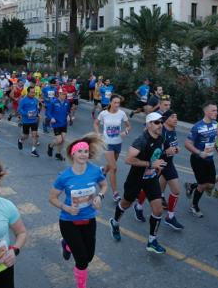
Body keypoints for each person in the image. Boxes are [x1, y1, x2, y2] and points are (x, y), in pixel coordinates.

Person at [49, 134, 107, 288]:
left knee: (88, 257)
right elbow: (52, 198)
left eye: (86, 151)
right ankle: (81, 285)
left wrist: (100, 197)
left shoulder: (95, 171)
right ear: (72, 154)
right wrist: (66, 207)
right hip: (69, 221)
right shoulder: (64, 176)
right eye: (79, 151)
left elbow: (104, 185)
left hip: (89, 218)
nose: (83, 154)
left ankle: (66, 244)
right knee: (81, 261)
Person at [108, 112, 167, 254]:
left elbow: (158, 155)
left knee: (158, 210)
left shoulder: (161, 138)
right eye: (157, 122)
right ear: (148, 125)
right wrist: (151, 164)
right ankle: (115, 222)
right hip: (136, 179)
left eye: (161, 122)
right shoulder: (141, 140)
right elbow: (128, 159)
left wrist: (158, 167)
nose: (160, 125)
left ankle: (152, 241)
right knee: (125, 204)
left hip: (151, 179)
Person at [184, 101, 218, 217]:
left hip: (209, 159)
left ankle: (191, 186)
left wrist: (217, 148)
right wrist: (199, 153)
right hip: (198, 160)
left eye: (216, 110)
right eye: (213, 110)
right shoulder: (197, 127)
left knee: (211, 185)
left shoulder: (215, 124)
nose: (216, 112)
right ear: (206, 111)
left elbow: (212, 139)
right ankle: (194, 206)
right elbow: (187, 144)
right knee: (203, 185)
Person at [93, 94, 130, 202]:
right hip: (107, 143)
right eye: (115, 102)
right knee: (114, 168)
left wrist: (125, 132)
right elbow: (96, 123)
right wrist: (98, 134)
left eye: (118, 103)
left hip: (118, 143)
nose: (117, 105)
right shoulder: (103, 114)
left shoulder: (122, 113)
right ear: (110, 102)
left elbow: (129, 126)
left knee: (110, 165)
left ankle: (103, 172)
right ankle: (115, 193)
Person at [46, 90, 71, 161]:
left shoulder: (67, 102)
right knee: (59, 140)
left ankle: (58, 154)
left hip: (64, 123)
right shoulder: (53, 102)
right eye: (63, 94)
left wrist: (68, 116)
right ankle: (50, 146)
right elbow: (48, 112)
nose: (64, 96)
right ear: (59, 94)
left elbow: (67, 111)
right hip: (56, 123)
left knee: (63, 140)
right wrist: (51, 118)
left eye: (65, 95)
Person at [17, 86, 40, 157]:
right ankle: (20, 140)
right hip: (26, 121)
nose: (33, 94)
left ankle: (33, 150)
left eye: (34, 92)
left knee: (34, 135)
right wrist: (26, 114)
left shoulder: (35, 99)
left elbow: (36, 108)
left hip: (34, 120)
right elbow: (19, 110)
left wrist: (37, 113)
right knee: (26, 136)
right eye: (32, 92)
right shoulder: (23, 100)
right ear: (28, 92)